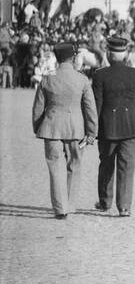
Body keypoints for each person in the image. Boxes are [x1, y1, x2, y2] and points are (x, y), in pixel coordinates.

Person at [32, 41, 98, 219]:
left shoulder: (48, 78)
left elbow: (38, 108)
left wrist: (37, 127)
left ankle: (60, 208)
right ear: (73, 57)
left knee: (55, 167)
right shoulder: (82, 79)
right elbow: (90, 108)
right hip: (75, 128)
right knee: (74, 165)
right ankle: (69, 204)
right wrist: (92, 132)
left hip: (51, 127)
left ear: (57, 57)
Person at [92, 36, 135, 217]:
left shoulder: (100, 75)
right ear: (125, 54)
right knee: (127, 166)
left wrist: (93, 128)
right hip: (130, 125)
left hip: (107, 126)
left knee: (106, 165)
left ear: (108, 53)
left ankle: (105, 202)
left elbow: (97, 104)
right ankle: (124, 207)